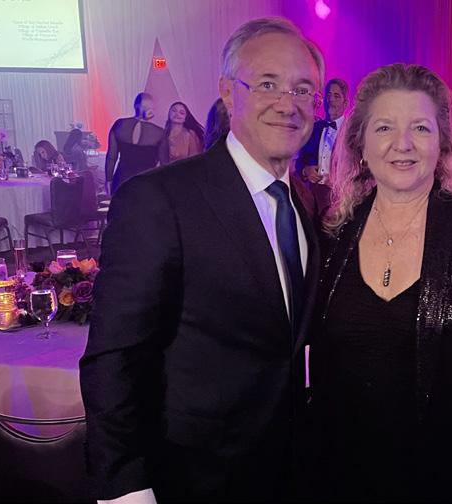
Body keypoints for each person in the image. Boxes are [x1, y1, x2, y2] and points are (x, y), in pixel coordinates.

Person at [80, 17, 324, 502]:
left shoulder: (302, 202)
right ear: (228, 93)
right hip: (192, 477)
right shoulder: (160, 198)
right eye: (268, 84)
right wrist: (126, 487)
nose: (288, 103)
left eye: (303, 90)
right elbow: (115, 355)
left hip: (289, 470)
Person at [310, 63, 452, 503]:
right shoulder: (333, 235)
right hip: (342, 477)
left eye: (421, 128)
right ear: (361, 144)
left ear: (442, 142)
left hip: (449, 480)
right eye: (385, 127)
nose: (403, 143)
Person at [296, 78, 349, 211]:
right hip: (313, 197)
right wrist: (305, 171)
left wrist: (339, 179)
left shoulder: (352, 132)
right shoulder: (314, 128)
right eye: (328, 95)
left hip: (341, 199)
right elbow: (300, 161)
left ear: (345, 103)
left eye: (336, 96)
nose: (331, 100)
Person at [105, 92, 164, 194]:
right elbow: (163, 163)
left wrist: (108, 180)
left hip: (122, 179)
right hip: (146, 182)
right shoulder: (159, 132)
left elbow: (111, 156)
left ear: (135, 106)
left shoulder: (120, 124)